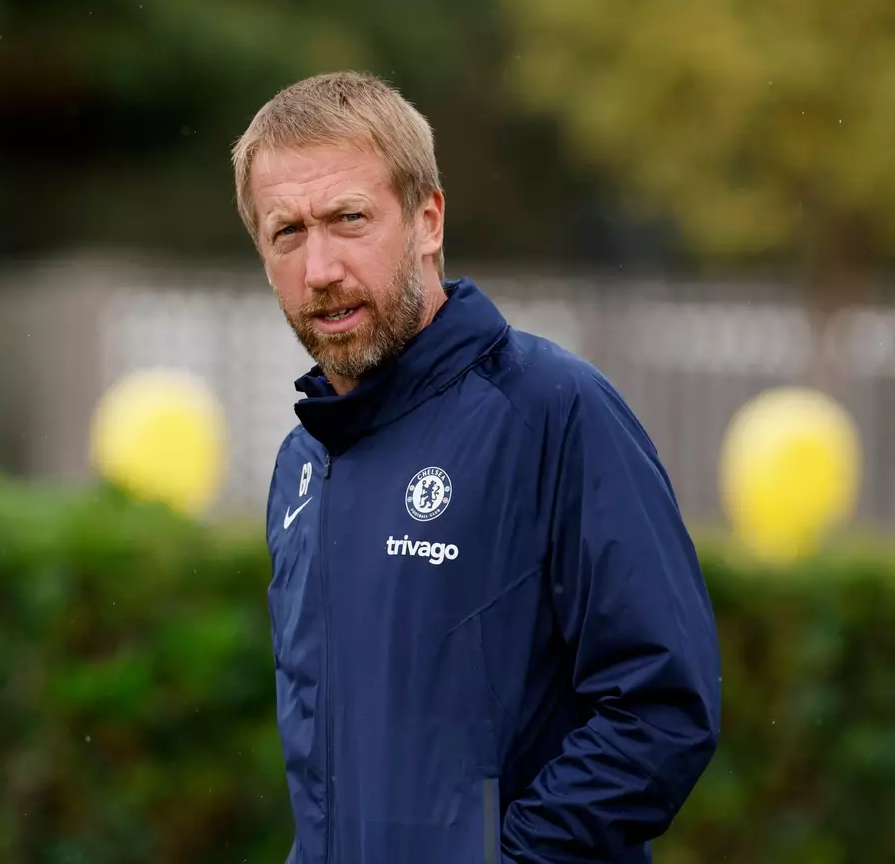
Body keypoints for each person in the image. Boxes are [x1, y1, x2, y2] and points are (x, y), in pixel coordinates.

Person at [230, 71, 721, 863]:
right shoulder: (303, 463)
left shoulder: (555, 411)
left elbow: (661, 708)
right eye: (287, 232)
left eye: (349, 219)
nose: (319, 268)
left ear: (427, 221)